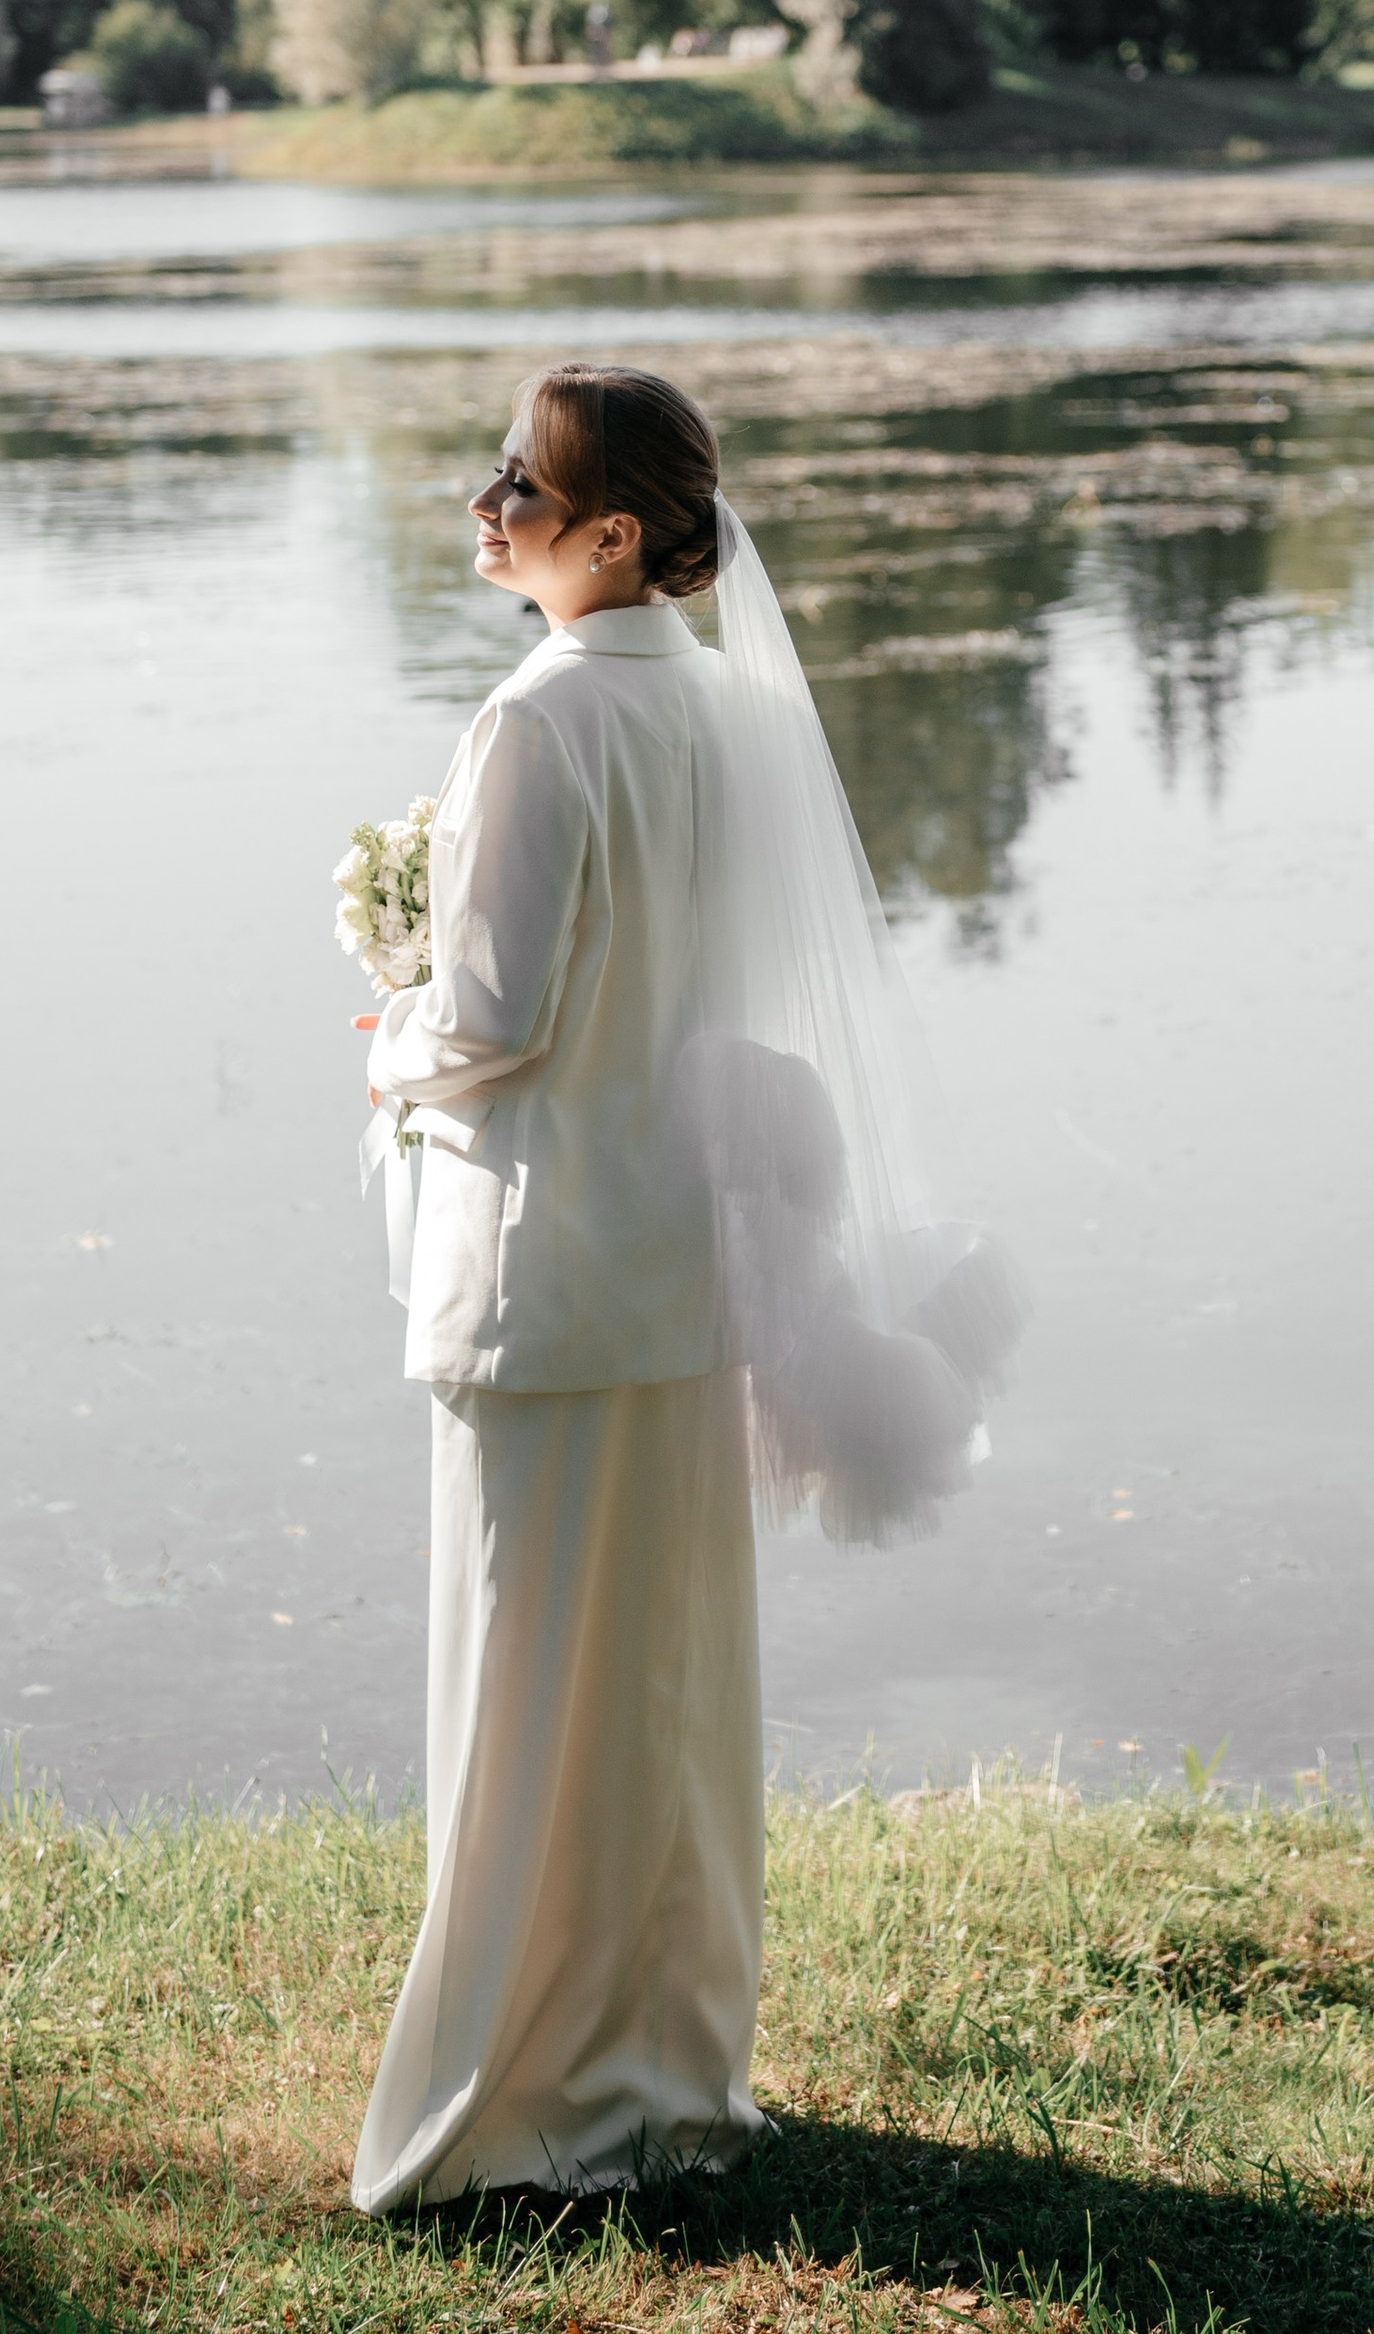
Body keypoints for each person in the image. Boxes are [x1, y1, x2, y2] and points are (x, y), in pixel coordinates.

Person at [349, 363, 1013, 2214]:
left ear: (617, 532)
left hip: (552, 1281)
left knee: (520, 1692)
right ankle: (666, 2068)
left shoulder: (538, 724)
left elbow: (492, 1023)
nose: (485, 510)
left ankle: (506, 2103)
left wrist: (390, 1035)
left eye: (519, 484)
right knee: (663, 1692)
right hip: (692, 1269)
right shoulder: (726, 716)